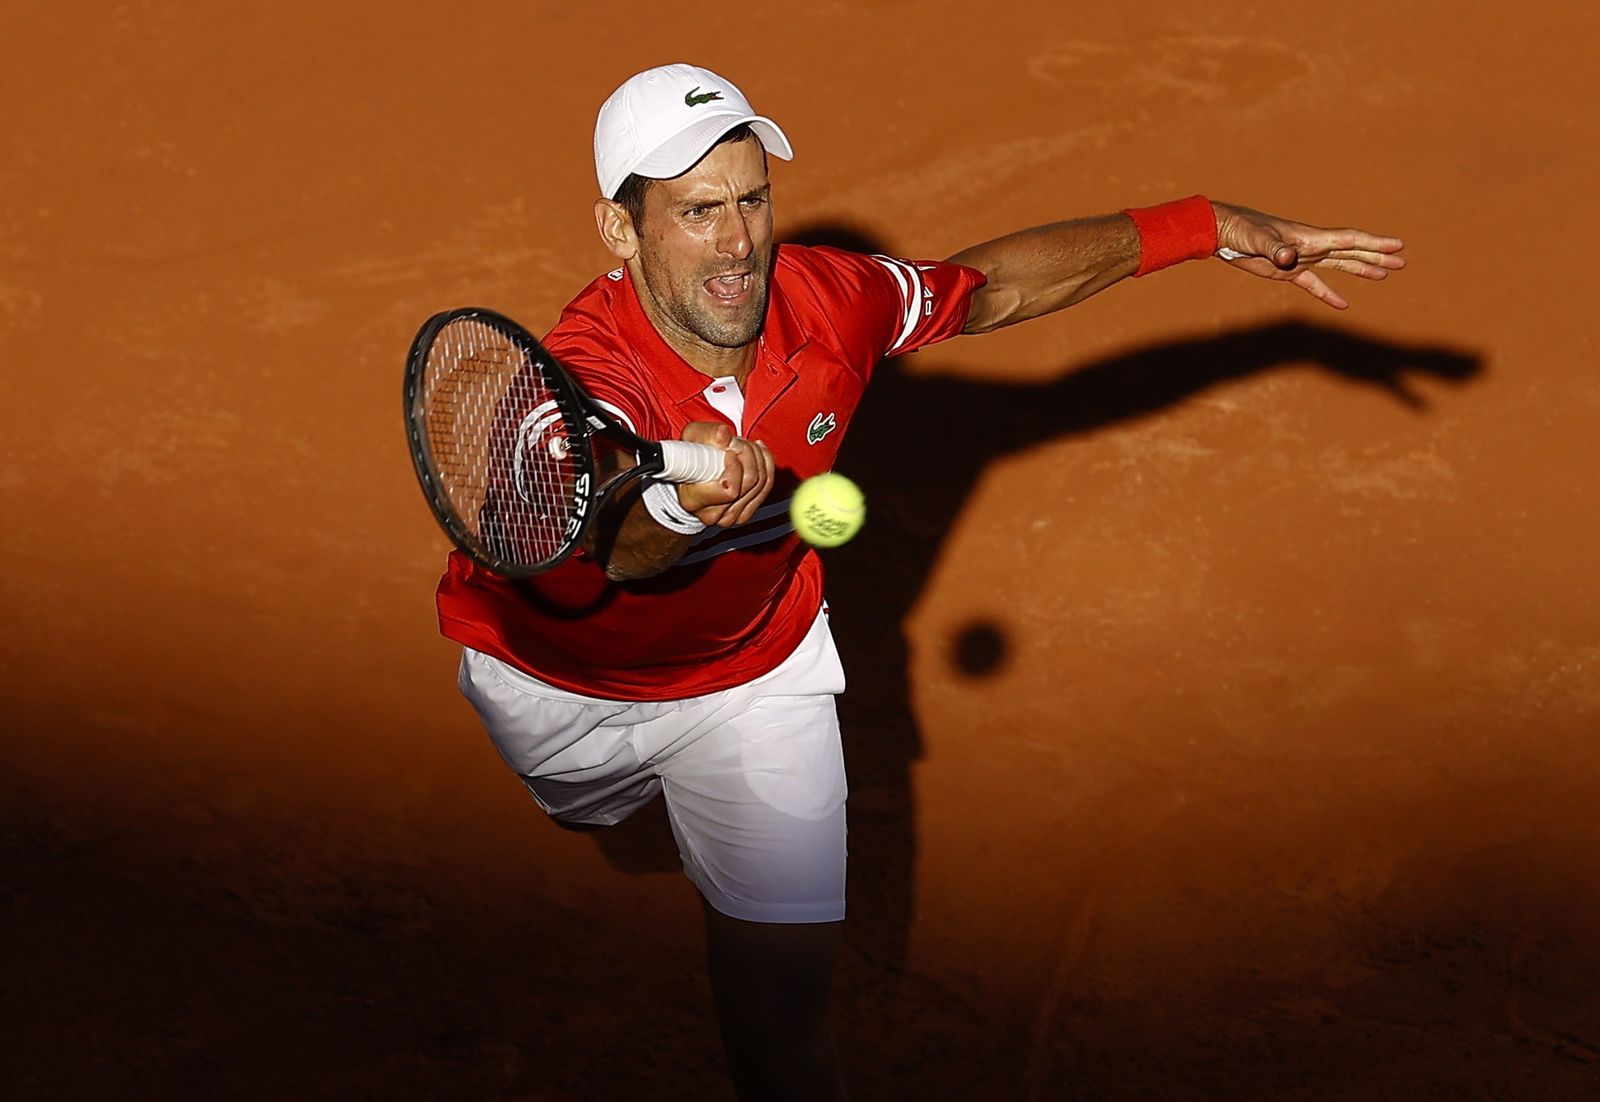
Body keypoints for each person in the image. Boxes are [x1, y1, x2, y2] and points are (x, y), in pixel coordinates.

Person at [434, 62, 1405, 1100]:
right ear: (620, 233)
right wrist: (677, 507)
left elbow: (993, 290)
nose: (737, 243)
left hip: (753, 677)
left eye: (752, 199)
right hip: (561, 688)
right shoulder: (569, 389)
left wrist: (1204, 222)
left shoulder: (829, 298)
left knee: (784, 1024)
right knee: (591, 818)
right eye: (698, 211)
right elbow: (615, 549)